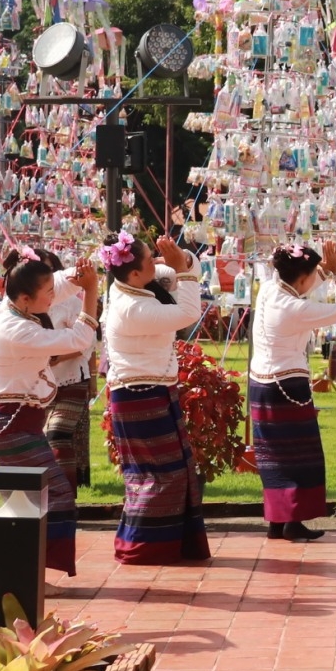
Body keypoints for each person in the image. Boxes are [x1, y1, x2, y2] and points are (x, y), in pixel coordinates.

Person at [0, 247, 100, 578]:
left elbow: (59, 283)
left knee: (27, 501)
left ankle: (23, 577)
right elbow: (79, 339)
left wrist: (81, 272)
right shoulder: (18, 329)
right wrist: (91, 291)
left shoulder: (14, 306)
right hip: (12, 427)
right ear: (25, 299)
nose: (54, 297)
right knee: (56, 495)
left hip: (16, 423)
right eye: (46, 293)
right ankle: (26, 576)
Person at [98, 230, 209, 565]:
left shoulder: (131, 284)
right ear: (135, 272)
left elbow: (186, 270)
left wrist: (182, 259)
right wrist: (182, 269)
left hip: (151, 389)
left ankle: (163, 544)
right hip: (139, 394)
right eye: (150, 259)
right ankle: (143, 547)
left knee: (174, 470)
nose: (156, 263)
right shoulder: (132, 307)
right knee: (158, 475)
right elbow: (189, 312)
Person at [249, 240, 336, 540]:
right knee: (299, 458)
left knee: (273, 459)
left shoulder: (270, 289)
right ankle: (291, 521)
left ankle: (278, 521)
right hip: (287, 386)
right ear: (303, 277)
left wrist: (324, 271)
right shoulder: (295, 308)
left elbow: (302, 284)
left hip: (261, 383)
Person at [40, 252, 96, 497]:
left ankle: (65, 495)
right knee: (44, 437)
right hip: (40, 384)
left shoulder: (72, 303)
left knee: (57, 433)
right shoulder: (25, 306)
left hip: (71, 378)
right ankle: (51, 493)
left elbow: (87, 342)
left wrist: (58, 357)